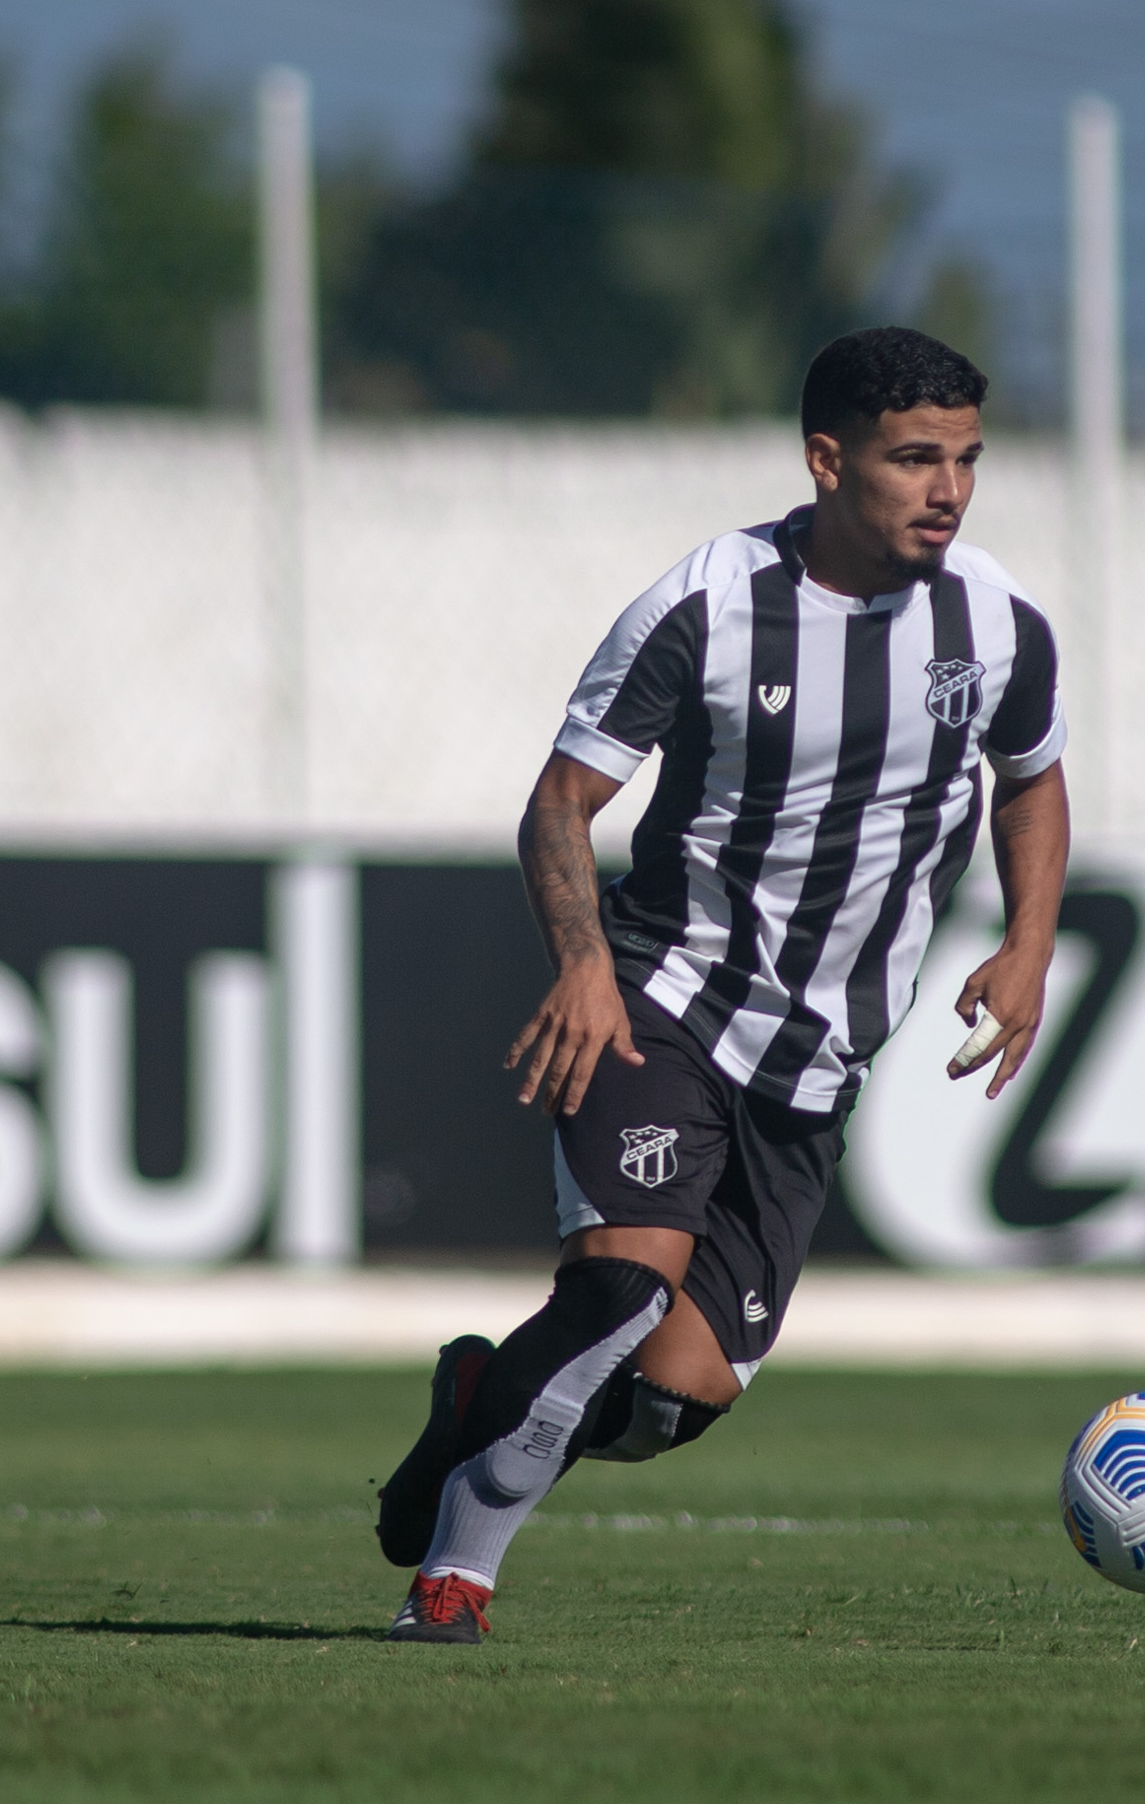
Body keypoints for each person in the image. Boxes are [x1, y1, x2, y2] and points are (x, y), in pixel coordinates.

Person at [373, 326, 1069, 1641]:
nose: (949, 490)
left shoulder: (997, 621)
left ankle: (478, 1403)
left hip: (818, 1066)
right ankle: (457, 1577)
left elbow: (1030, 778)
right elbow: (560, 804)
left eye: (967, 459)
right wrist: (584, 965)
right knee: (620, 1296)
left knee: (673, 1395)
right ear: (827, 459)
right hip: (666, 997)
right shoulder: (707, 606)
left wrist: (1030, 939)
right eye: (914, 458)